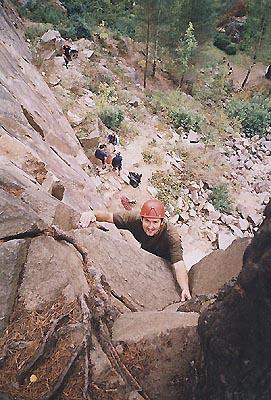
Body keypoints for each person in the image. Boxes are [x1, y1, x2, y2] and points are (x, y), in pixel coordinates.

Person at [91, 199, 191, 301]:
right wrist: (92, 214)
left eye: (155, 222)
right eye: (147, 221)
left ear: (162, 222)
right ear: (141, 219)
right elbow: (109, 217)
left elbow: (178, 264)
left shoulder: (171, 236)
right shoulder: (134, 219)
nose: (150, 226)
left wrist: (185, 289)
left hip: (167, 259)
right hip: (146, 252)